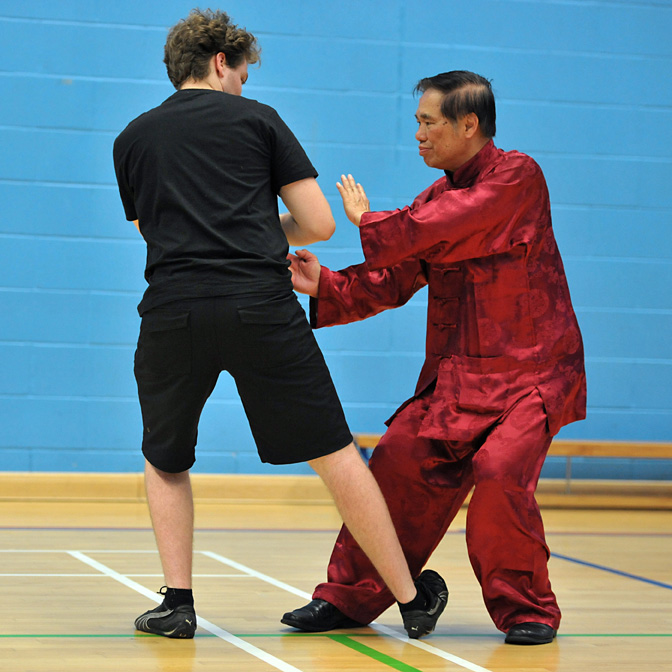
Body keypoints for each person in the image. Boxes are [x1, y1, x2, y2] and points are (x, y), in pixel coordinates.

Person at [112, 9, 447, 641]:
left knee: (166, 458)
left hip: (172, 310)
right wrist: (262, 233)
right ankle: (410, 598)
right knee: (336, 453)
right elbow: (319, 223)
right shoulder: (259, 119)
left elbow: (146, 229)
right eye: (242, 71)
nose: (244, 82)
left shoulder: (132, 136)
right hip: (259, 305)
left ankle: (178, 603)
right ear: (220, 62)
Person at [282, 70, 586, 646]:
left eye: (428, 123)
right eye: (417, 122)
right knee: (397, 459)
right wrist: (325, 284)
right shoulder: (435, 200)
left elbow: (447, 223)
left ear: (469, 125)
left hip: (530, 377)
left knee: (499, 477)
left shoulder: (517, 177)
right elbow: (392, 278)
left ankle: (527, 609)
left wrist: (369, 221)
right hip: (457, 382)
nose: (417, 134)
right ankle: (349, 597)